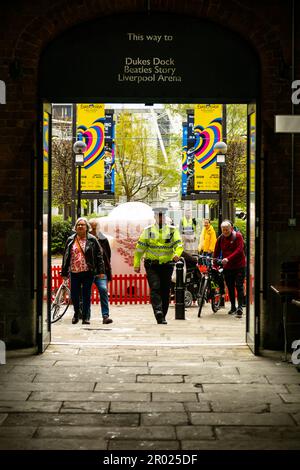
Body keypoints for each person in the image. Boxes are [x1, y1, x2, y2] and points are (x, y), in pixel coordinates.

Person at [133, 207, 183, 324]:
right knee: (155, 287)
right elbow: (139, 249)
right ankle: (158, 311)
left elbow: (179, 245)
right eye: (158, 216)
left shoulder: (172, 230)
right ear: (155, 217)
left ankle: (162, 316)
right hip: (152, 265)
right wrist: (136, 263)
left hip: (167, 265)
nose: (160, 218)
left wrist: (177, 254)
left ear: (164, 217)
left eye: (162, 216)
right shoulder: (148, 230)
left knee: (165, 291)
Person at [61, 217, 105, 325]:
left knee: (86, 295)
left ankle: (86, 317)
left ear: (87, 227)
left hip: (88, 272)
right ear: (75, 228)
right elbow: (66, 256)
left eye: (82, 225)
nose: (80, 226)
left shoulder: (92, 239)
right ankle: (76, 314)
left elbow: (99, 256)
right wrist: (64, 272)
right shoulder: (71, 239)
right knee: (75, 295)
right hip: (74, 272)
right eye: (78, 225)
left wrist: (101, 271)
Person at [213, 219, 246, 317]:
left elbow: (239, 250)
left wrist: (228, 258)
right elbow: (216, 252)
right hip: (227, 267)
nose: (225, 231)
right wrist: (214, 264)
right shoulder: (220, 239)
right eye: (223, 230)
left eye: (227, 229)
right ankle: (233, 307)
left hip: (239, 265)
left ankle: (240, 307)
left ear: (231, 228)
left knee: (239, 286)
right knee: (230, 287)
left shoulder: (238, 236)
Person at [89, 218, 113, 324]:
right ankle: (85, 315)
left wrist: (106, 269)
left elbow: (108, 256)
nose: (94, 230)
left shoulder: (103, 239)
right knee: (85, 293)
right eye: (92, 227)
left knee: (103, 290)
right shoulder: (85, 240)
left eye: (95, 227)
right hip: (87, 271)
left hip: (101, 271)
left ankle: (105, 315)